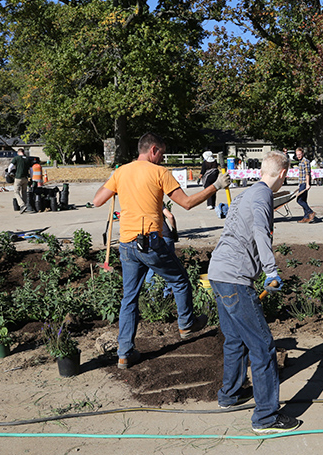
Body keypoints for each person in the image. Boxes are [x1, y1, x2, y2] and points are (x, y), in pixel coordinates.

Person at [93, 132, 231, 369]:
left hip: (126, 244)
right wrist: (215, 186)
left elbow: (97, 201)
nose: (162, 159)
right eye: (162, 153)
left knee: (129, 298)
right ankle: (186, 324)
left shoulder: (121, 172)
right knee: (179, 280)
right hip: (150, 242)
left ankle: (124, 353)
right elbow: (186, 203)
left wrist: (114, 181)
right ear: (154, 150)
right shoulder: (159, 173)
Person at [207, 150, 302, 434]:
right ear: (283, 174)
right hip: (235, 279)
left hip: (217, 273)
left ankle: (230, 395)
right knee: (262, 346)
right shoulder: (262, 197)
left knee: (235, 339)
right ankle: (265, 418)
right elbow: (261, 231)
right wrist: (271, 270)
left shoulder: (247, 194)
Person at [8, 148, 31, 214]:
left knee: (16, 192)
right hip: (25, 178)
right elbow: (31, 169)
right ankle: (25, 206)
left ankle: (22, 205)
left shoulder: (17, 158)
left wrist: (9, 173)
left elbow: (10, 167)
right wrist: (31, 177)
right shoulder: (27, 159)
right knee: (24, 192)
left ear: (18, 152)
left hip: (18, 177)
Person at [295, 147, 315, 223]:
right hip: (301, 183)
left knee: (299, 200)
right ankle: (306, 217)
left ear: (303, 153)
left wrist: (307, 184)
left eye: (300, 154)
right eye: (297, 155)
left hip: (304, 183)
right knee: (303, 200)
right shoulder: (300, 162)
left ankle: (310, 212)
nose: (298, 156)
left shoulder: (305, 161)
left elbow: (307, 173)